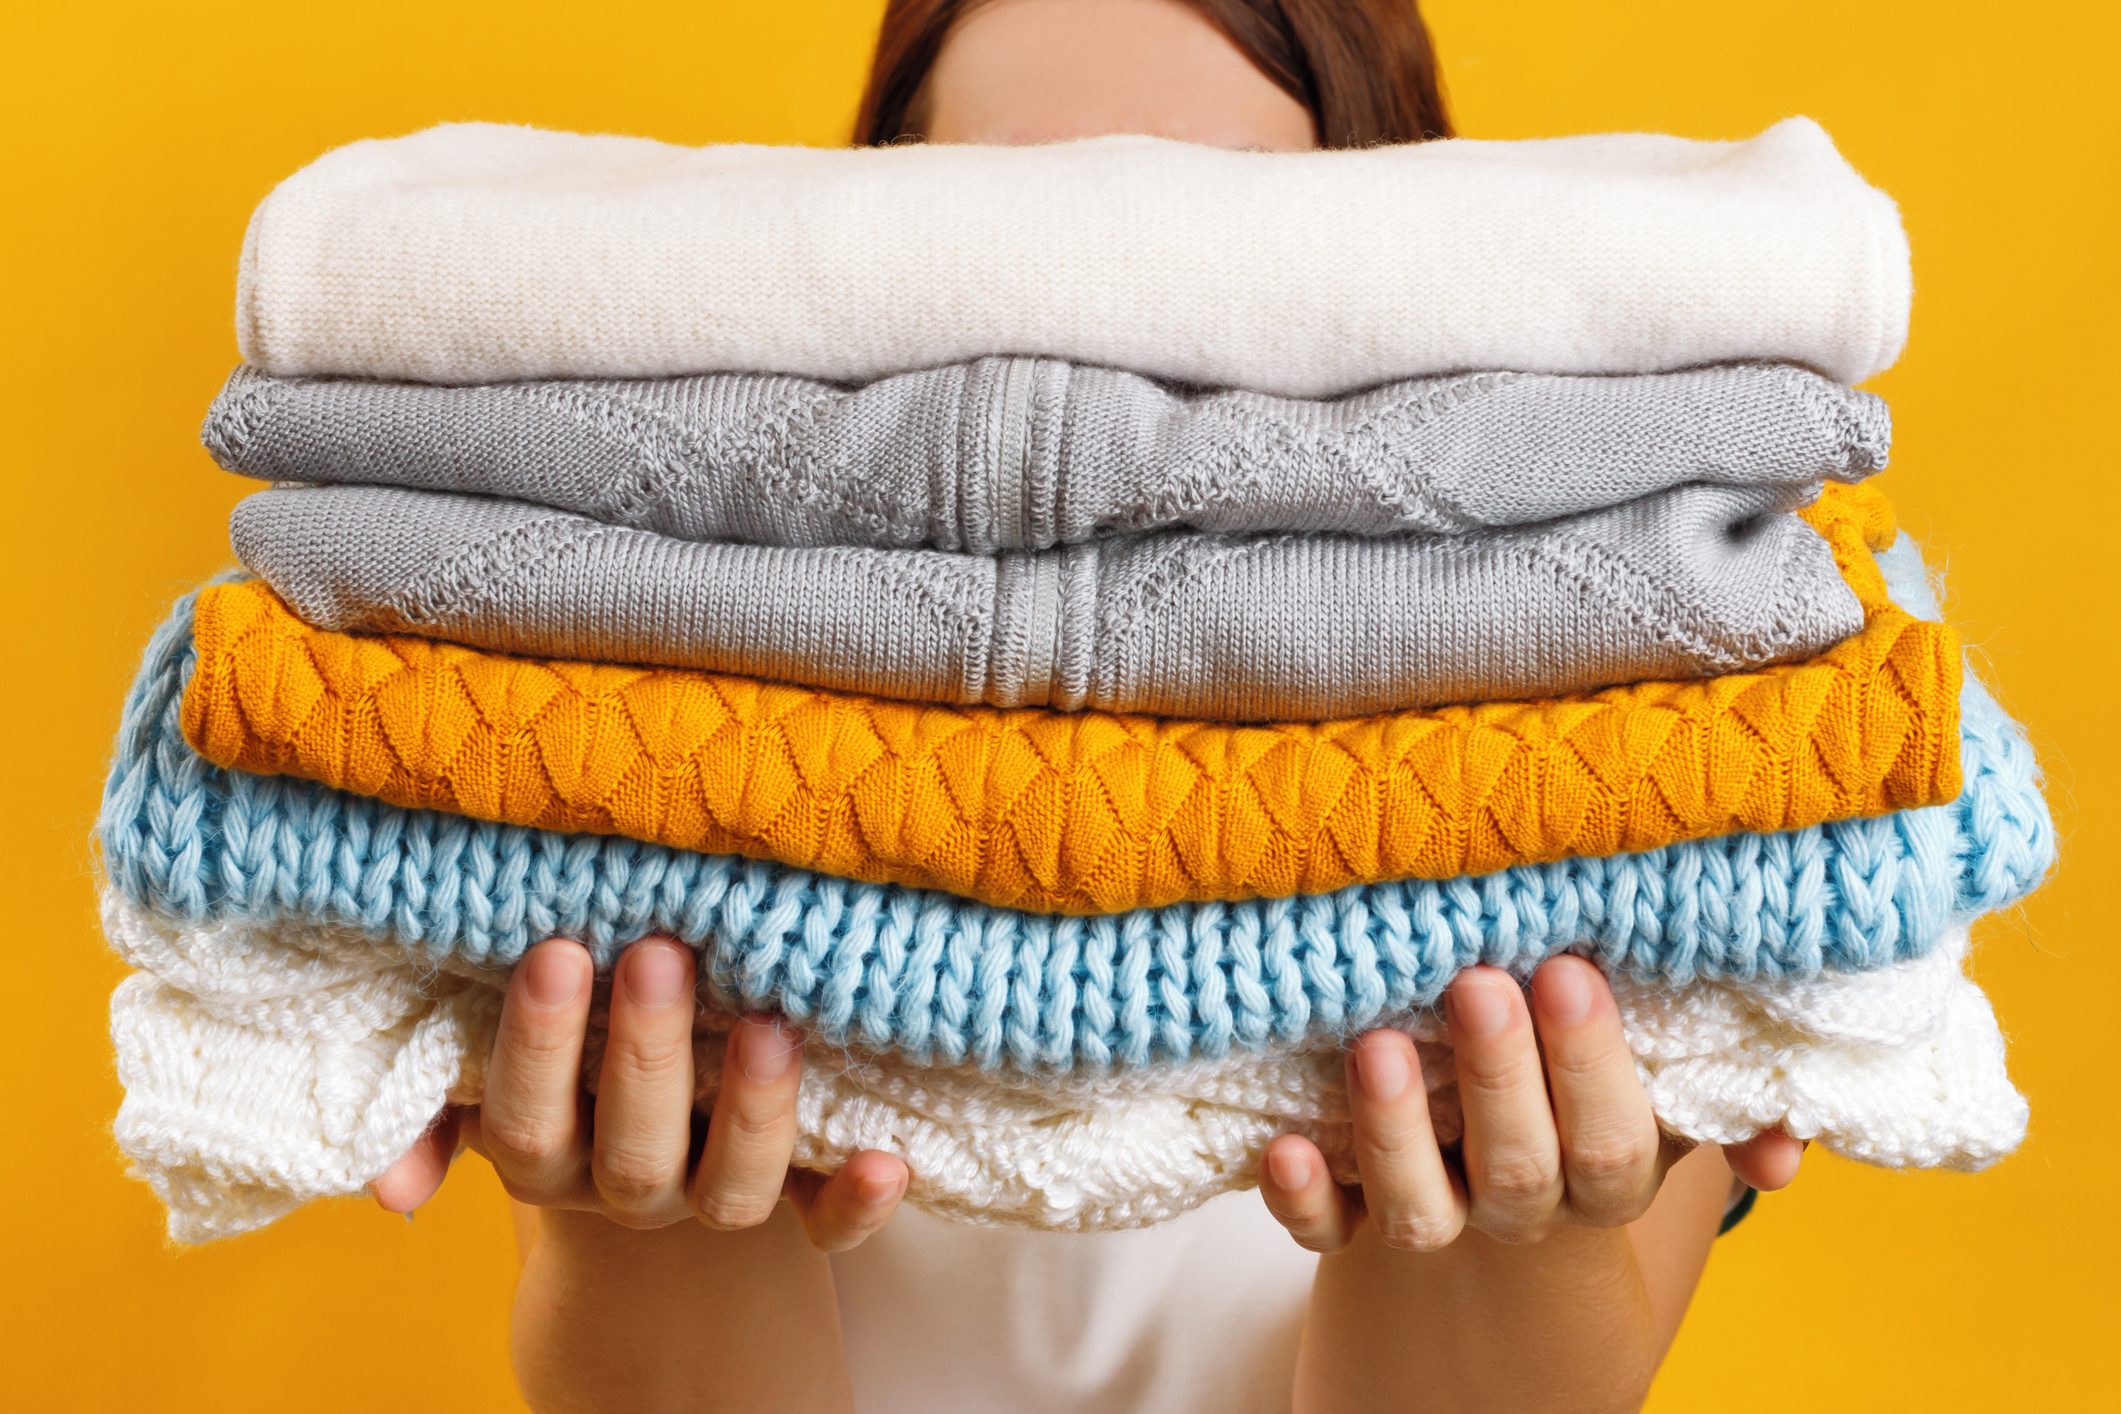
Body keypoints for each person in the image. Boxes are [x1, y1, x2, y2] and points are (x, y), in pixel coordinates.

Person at [372, 2, 1804, 1409]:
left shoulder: (1629, 733)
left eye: (1212, 223)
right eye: (1012, 216)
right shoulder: (664, 697)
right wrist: (653, 1228)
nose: (1100, 331)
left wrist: (1508, 1249)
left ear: (1403, 261)